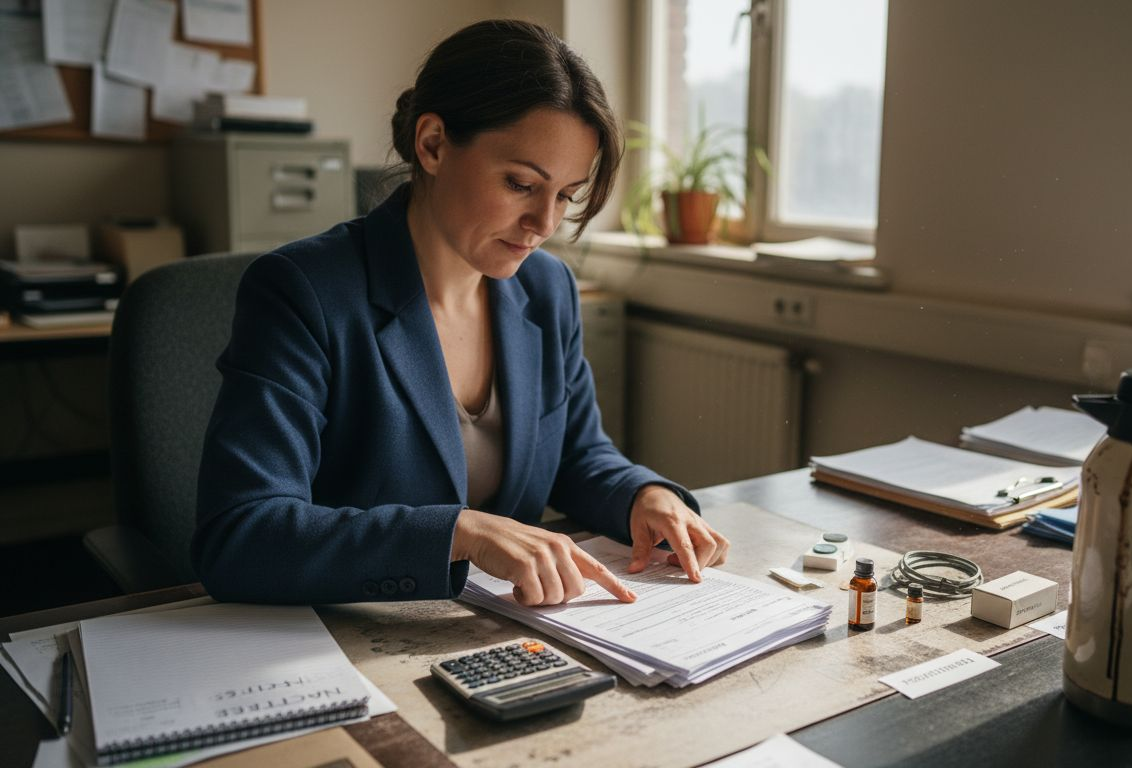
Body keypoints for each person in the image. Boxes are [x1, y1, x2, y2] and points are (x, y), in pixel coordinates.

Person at [192, 19, 729, 607]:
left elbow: (578, 454)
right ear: (433, 145)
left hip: (503, 629)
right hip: (346, 638)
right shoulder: (304, 292)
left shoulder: (547, 288)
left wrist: (642, 496)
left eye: (566, 195)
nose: (544, 225)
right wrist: (457, 532)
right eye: (522, 183)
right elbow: (240, 534)